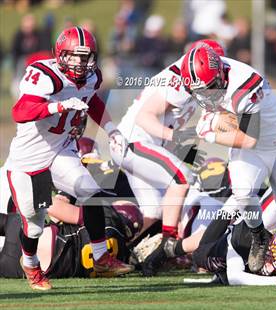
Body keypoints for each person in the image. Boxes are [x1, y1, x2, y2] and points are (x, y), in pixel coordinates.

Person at [4, 27, 132, 290]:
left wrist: (112, 130)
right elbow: (20, 111)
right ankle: (30, 263)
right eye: (74, 57)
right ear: (61, 55)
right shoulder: (45, 76)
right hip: (31, 159)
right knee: (35, 222)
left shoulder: (91, 77)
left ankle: (101, 257)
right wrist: (58, 106)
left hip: (62, 149)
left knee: (91, 191)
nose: (81, 63)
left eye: (85, 57)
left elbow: (92, 101)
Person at [180, 46, 276, 289]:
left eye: (209, 88)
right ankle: (258, 235)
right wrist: (215, 120)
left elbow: (249, 139)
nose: (206, 95)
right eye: (200, 90)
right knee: (242, 192)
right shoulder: (209, 72)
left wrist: (210, 132)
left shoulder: (245, 86)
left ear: (221, 76)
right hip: (252, 146)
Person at [115, 39, 225, 276]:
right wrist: (176, 139)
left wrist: (184, 148)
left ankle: (110, 248)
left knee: (153, 210)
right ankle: (167, 247)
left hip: (142, 143)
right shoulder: (177, 81)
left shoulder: (191, 81)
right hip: (133, 141)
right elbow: (144, 118)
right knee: (181, 179)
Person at [0, 202, 141, 279]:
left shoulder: (106, 217)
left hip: (36, 241)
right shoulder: (122, 258)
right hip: (26, 270)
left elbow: (51, 205)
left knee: (15, 210)